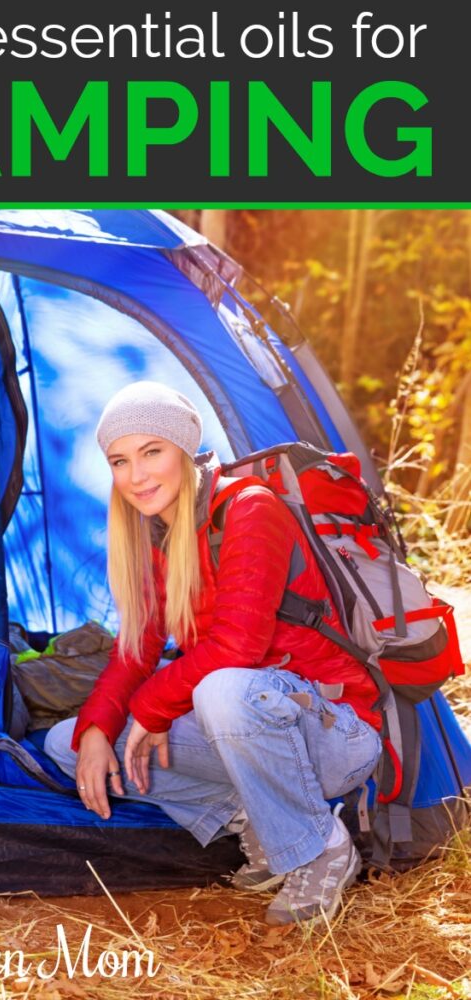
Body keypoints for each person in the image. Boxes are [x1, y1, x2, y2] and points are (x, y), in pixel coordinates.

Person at [44, 381, 382, 926]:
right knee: (70, 744)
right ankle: (260, 820)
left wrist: (155, 708)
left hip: (335, 733)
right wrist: (97, 730)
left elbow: (238, 647)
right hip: (250, 730)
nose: (137, 476)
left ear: (183, 451)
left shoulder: (251, 510)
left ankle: (321, 846)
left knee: (221, 689)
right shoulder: (155, 535)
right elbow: (135, 654)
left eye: (152, 452)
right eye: (120, 461)